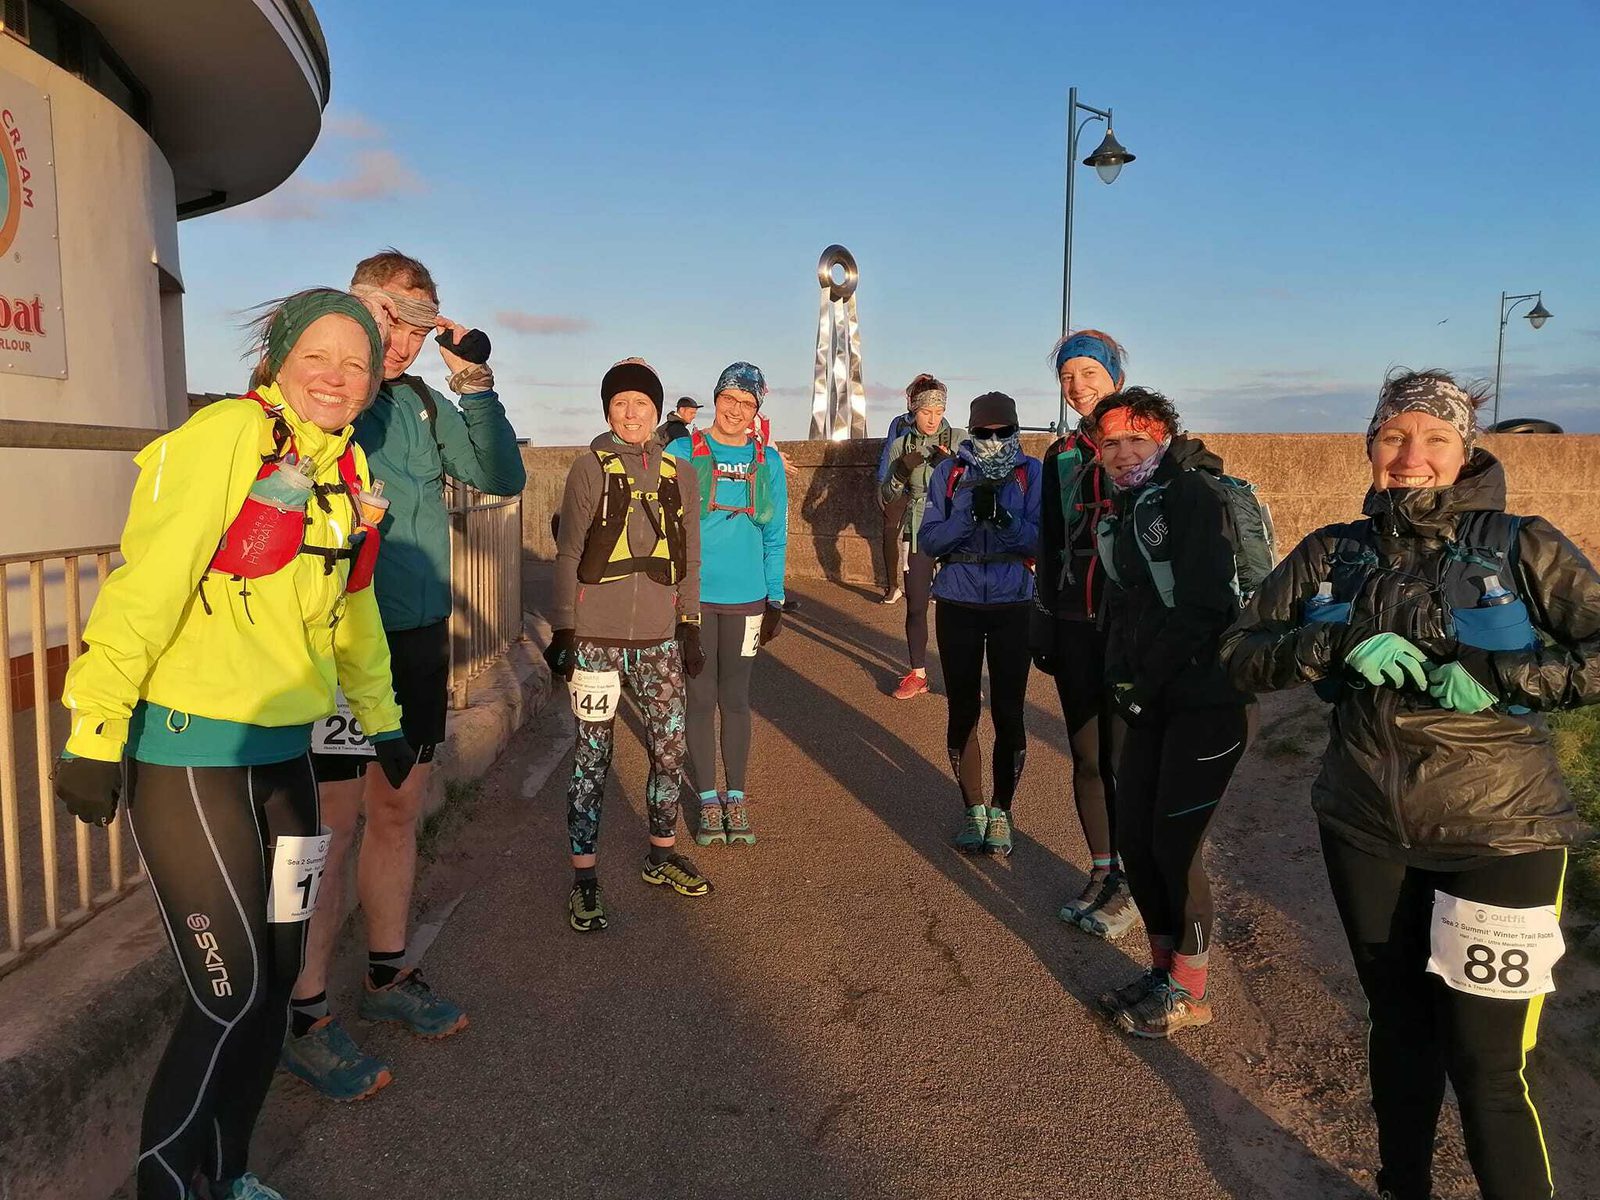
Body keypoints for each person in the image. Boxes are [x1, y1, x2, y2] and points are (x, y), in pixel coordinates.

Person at [52, 290, 411, 1200]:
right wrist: (96, 725)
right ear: (279, 358)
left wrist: (385, 716)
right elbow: (146, 586)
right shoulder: (222, 441)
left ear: (374, 380)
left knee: (281, 976)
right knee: (231, 991)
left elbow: (353, 607)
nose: (336, 377)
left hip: (284, 756)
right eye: (317, 357)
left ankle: (233, 1175)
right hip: (189, 757)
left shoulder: (346, 468)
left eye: (356, 363)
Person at [1220, 368, 1596, 1200]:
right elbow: (1238, 653)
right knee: (1398, 1030)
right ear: (1370, 445)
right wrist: (1329, 646)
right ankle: (1403, 1186)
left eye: (1433, 437)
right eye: (1393, 436)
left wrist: (1505, 675)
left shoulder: (1520, 542)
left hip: (1502, 833)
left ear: (1464, 451)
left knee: (1487, 1063)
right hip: (1366, 826)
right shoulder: (1332, 551)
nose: (1410, 455)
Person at [283, 250, 526, 1100]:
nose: (403, 341)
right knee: (331, 824)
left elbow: (500, 475)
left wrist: (475, 381)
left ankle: (386, 977)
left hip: (417, 639)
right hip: (340, 639)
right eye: (390, 318)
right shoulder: (322, 392)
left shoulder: (424, 403)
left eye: (421, 326)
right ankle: (304, 1013)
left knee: (399, 807)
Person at [1090, 387, 1252, 1039]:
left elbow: (1207, 606)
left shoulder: (1192, 495)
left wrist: (1143, 681)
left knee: (1176, 847)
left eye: (1137, 439)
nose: (1123, 452)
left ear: (1162, 437)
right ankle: (1163, 972)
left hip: (1208, 700)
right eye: (1111, 443)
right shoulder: (1130, 505)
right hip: (1154, 696)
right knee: (1137, 836)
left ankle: (1191, 990)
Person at [544, 358, 710, 931]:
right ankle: (584, 878)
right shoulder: (589, 467)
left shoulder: (679, 472)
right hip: (596, 638)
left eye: (641, 403)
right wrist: (564, 628)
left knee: (669, 745)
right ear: (608, 412)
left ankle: (661, 854)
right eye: (620, 405)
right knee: (593, 755)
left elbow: (688, 554)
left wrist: (689, 623)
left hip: (660, 638)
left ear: (658, 412)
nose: (632, 413)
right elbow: (568, 552)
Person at [1032, 330, 1139, 938]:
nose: (1078, 385)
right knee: (1086, 753)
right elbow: (1049, 542)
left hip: (1127, 625)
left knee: (1126, 759)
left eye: (1089, 373)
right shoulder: (1061, 455)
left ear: (1115, 379)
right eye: (1068, 375)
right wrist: (1041, 619)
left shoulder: (1146, 444)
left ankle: (1133, 881)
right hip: (1074, 620)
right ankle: (1102, 871)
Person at [664, 362, 789, 846]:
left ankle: (736, 795)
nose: (736, 411)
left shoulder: (768, 461)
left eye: (747, 404)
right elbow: (665, 527)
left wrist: (775, 597)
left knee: (736, 699)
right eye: (729, 400)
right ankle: (709, 798)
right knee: (699, 697)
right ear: (716, 400)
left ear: (757, 410)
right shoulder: (681, 451)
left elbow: (775, 534)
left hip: (748, 599)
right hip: (694, 599)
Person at [917, 392, 1042, 855]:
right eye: (984, 432)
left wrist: (1005, 519)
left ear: (1016, 430)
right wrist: (969, 516)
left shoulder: (1032, 474)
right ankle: (973, 808)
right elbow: (930, 539)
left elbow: (1040, 541)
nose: (993, 440)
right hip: (958, 600)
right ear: (970, 430)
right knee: (963, 707)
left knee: (1009, 710)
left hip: (1013, 601)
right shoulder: (948, 474)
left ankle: (1003, 810)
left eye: (1003, 432)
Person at [878, 374, 962, 700]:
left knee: (956, 606)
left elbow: (976, 486)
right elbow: (887, 493)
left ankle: (960, 675)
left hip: (954, 530)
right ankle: (917, 673)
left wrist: (954, 467)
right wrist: (900, 469)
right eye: (927, 412)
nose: (933, 418)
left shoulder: (958, 439)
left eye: (939, 412)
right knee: (915, 604)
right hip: (917, 529)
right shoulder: (901, 445)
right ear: (914, 411)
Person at [875, 385, 918, 603]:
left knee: (921, 535)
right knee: (890, 534)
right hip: (898, 484)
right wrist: (882, 483)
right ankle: (893, 586)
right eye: (911, 394)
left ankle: (926, 584)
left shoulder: (940, 425)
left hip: (922, 487)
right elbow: (888, 452)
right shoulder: (899, 422)